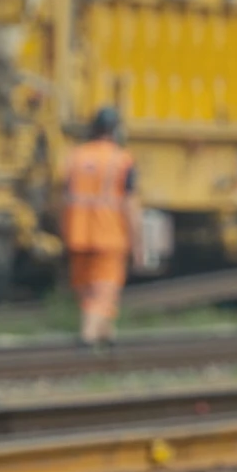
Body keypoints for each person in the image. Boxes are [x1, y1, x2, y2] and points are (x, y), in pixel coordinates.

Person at [60, 106, 142, 348]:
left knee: (84, 286)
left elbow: (61, 199)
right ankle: (88, 337)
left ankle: (106, 334)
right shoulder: (122, 160)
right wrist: (138, 242)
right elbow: (130, 205)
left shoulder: (74, 157)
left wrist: (63, 230)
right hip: (109, 235)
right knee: (105, 289)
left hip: (77, 234)